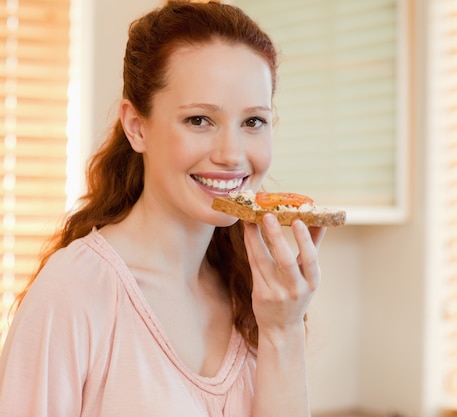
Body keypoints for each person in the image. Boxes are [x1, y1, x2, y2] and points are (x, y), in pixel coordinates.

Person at [0, 1, 326, 416]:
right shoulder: (75, 293)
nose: (231, 154)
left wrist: (283, 329)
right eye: (199, 120)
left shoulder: (256, 297)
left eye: (253, 122)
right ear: (137, 126)